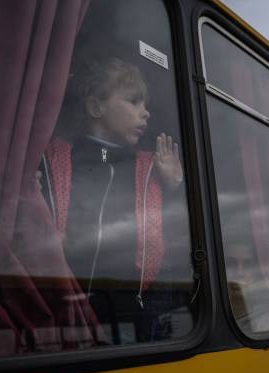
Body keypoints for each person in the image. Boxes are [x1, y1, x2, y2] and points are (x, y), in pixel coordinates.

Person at [42, 58, 184, 343]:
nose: (146, 113)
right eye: (134, 102)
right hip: (62, 306)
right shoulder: (56, 158)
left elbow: (175, 237)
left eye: (145, 104)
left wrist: (173, 187)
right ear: (96, 107)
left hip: (129, 311)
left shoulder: (149, 167)